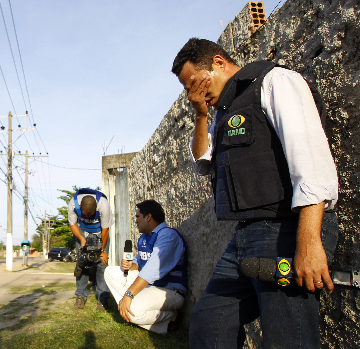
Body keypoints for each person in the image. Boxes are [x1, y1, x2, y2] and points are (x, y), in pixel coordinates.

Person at [172, 38, 339, 348]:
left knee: (288, 338)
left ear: (218, 63)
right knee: (209, 321)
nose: (191, 93)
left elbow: (311, 162)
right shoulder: (222, 112)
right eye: (186, 89)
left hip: (286, 229)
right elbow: (202, 161)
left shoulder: (275, 81)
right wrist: (200, 115)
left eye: (193, 83)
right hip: (246, 234)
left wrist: (309, 240)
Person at [104, 200, 186, 334]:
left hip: (170, 291)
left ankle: (171, 316)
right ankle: (130, 310)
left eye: (137, 217)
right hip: (150, 287)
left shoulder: (167, 235)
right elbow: (139, 263)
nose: (135, 221)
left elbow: (151, 270)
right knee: (110, 271)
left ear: (148, 217)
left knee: (132, 312)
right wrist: (130, 265)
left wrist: (128, 295)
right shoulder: (144, 238)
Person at [68, 188, 113, 311]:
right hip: (82, 232)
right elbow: (72, 224)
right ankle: (80, 296)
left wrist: (102, 251)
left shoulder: (103, 205)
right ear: (80, 206)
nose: (87, 217)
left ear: (96, 208)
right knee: (82, 262)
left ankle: (103, 297)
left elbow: (105, 230)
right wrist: (81, 239)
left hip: (100, 233)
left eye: (91, 214)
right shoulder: (73, 204)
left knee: (101, 264)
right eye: (85, 214)